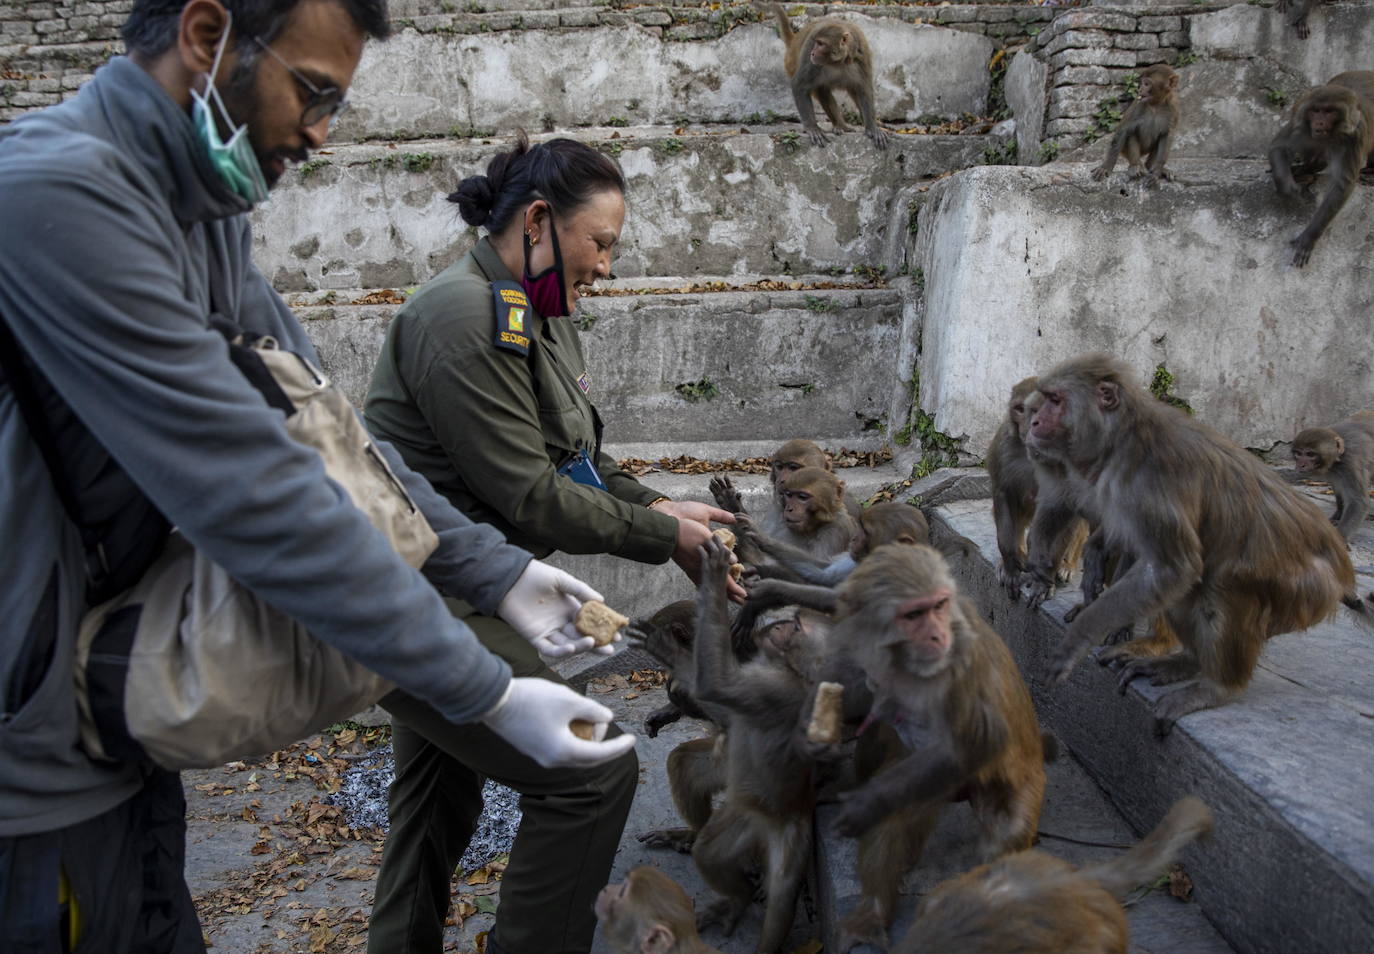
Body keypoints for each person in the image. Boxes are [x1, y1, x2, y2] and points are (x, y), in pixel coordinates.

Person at [0, 2, 631, 951]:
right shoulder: (58, 196)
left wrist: (490, 570)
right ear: (208, 38)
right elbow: (251, 486)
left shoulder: (198, 208)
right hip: (32, 760)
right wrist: (482, 687)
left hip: (110, 721)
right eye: (313, 90)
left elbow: (324, 429)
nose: (323, 132)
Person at [362, 134, 746, 954]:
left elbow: (576, 460)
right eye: (598, 243)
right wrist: (662, 536)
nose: (606, 265)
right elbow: (530, 496)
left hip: (462, 588)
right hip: (418, 598)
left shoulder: (538, 309)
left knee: (436, 798)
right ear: (538, 220)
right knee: (593, 771)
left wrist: (662, 506)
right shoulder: (463, 316)